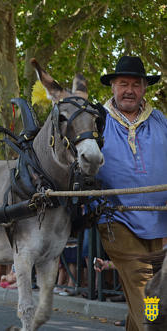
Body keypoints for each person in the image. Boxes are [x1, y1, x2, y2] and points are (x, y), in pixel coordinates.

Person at [96, 55, 166, 331]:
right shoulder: (96, 120)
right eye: (123, 83)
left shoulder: (160, 119)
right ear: (112, 86)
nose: (129, 90)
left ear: (144, 89)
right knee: (142, 281)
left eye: (136, 84)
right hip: (117, 217)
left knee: (155, 287)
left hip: (160, 219)